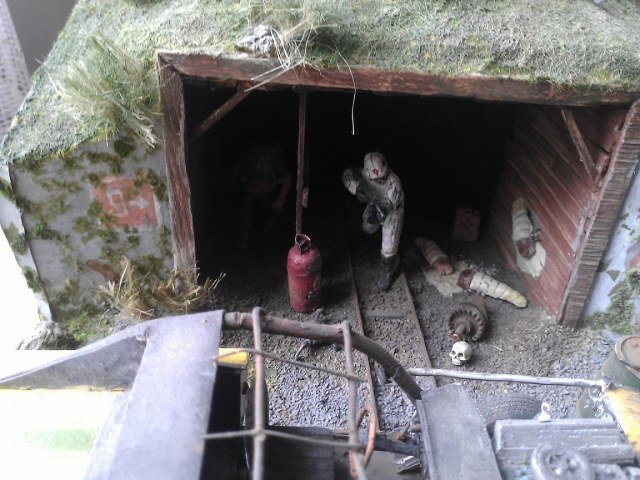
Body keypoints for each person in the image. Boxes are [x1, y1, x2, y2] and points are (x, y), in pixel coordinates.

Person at [342, 151, 404, 291]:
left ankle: (388, 271)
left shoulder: (394, 183)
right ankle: (375, 241)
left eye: (382, 177)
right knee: (367, 228)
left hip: (392, 211)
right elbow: (347, 175)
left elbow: (390, 205)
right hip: (374, 204)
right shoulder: (363, 174)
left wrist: (378, 212)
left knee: (389, 246)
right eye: (376, 179)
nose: (379, 180)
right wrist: (357, 190)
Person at [231, 142, 292, 249]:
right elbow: (236, 171)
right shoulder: (248, 155)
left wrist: (280, 199)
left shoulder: (275, 158)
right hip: (250, 191)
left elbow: (286, 178)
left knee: (271, 215)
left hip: (268, 193)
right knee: (244, 219)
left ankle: (266, 242)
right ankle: (241, 246)